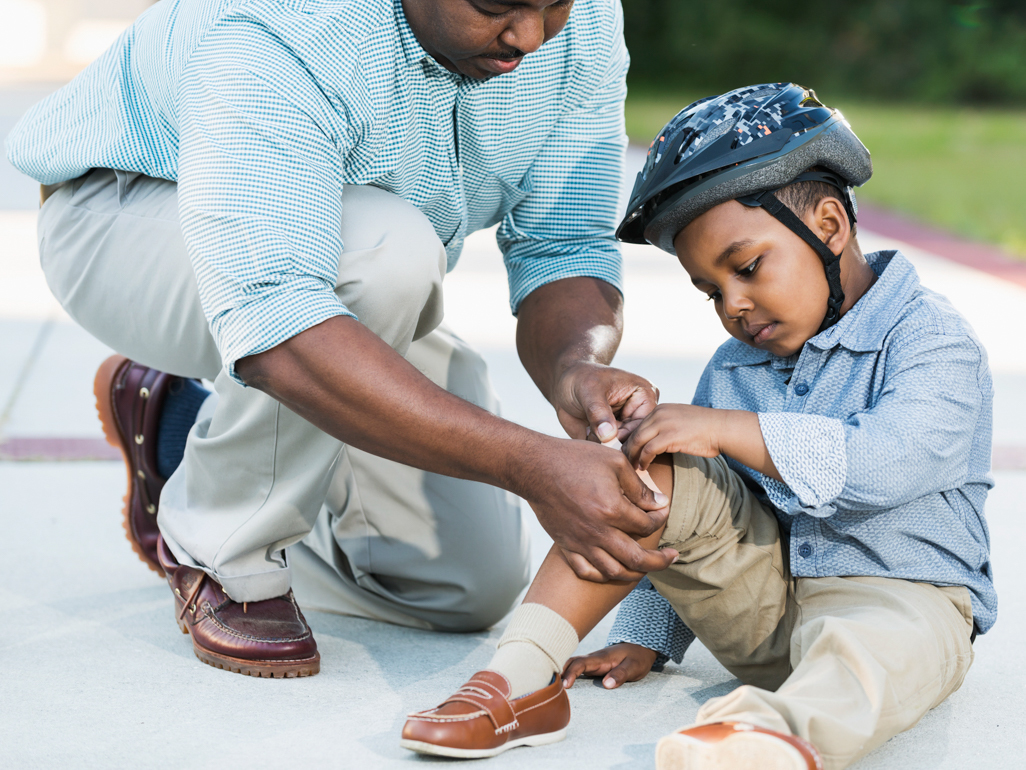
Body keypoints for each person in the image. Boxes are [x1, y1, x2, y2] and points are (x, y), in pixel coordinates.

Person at [4, 0, 679, 679]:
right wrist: (528, 464)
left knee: (464, 587)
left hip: (345, 264)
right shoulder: (285, 21)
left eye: (552, 5)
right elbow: (280, 320)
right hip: (129, 215)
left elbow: (563, 243)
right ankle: (221, 546)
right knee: (387, 253)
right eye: (495, 5)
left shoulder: (585, 20)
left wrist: (575, 367)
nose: (530, 36)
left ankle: (178, 437)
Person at [401, 83, 995, 770]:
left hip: (902, 601)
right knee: (649, 465)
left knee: (867, 658)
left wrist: (726, 428)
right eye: (711, 291)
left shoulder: (932, 341)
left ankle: (765, 737)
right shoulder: (736, 367)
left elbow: (893, 463)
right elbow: (682, 525)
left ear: (829, 225)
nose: (734, 306)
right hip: (765, 611)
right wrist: (648, 636)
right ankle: (516, 680)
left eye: (747, 268)